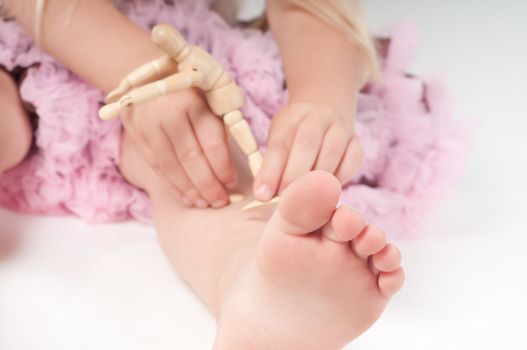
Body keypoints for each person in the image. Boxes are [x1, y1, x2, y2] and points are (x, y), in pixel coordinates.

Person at [0, 0, 404, 348]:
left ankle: (252, 284)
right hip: (38, 22)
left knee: (200, 156)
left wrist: (321, 98)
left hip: (176, 47)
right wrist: (143, 71)